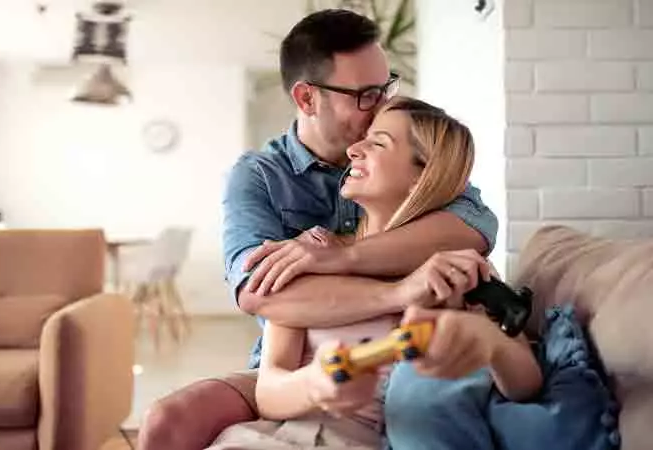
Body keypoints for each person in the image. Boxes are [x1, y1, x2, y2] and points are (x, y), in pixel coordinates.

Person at [138, 9, 497, 450]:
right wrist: (397, 292)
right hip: (296, 360)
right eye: (365, 94)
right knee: (166, 422)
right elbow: (261, 292)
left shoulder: (403, 156)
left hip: (398, 367)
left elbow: (475, 225)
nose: (381, 105)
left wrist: (342, 257)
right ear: (307, 99)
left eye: (385, 88)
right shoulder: (260, 176)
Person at [206, 97, 542, 449]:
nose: (354, 149)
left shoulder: (454, 274)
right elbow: (269, 392)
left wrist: (489, 343)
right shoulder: (312, 254)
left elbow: (527, 382)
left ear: (422, 176)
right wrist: (315, 384)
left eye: (378, 142)